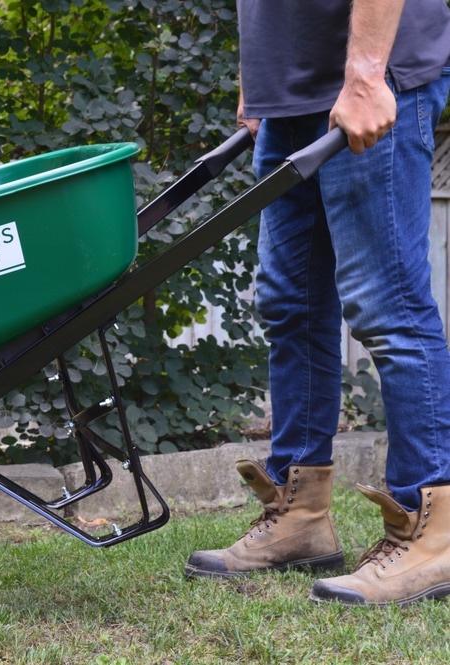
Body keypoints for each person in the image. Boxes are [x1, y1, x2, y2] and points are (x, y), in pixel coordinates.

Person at [184, 0, 450, 606]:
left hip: (370, 80)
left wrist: (365, 75)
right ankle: (301, 516)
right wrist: (258, 83)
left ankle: (432, 533)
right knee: (291, 307)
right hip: (290, 94)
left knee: (390, 309)